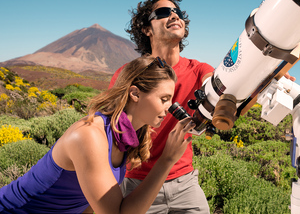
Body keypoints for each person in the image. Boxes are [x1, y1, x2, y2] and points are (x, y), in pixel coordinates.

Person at [0, 56, 195, 214]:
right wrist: (166, 160)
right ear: (135, 94)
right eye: (164, 99)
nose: (170, 108)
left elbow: (90, 204)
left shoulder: (124, 137)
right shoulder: (89, 136)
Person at [110, 0, 213, 214]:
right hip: (138, 185)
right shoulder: (127, 75)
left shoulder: (199, 70)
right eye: (164, 13)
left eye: (178, 12)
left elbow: (218, 84)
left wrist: (266, 73)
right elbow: (111, 129)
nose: (174, 15)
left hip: (185, 183)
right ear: (147, 29)